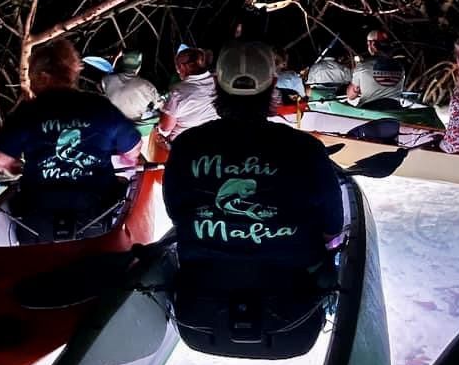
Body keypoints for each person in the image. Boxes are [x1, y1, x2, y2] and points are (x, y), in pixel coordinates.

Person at [163, 41, 344, 273]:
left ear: (216, 84)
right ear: (274, 84)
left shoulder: (185, 145)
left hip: (206, 287)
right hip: (289, 291)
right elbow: (332, 227)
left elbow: (177, 215)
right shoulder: (307, 149)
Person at [0, 39, 142, 239]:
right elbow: (133, 149)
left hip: (38, 219)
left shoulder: (28, 112)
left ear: (44, 76)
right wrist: (127, 159)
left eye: (31, 76)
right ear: (71, 72)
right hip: (96, 216)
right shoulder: (100, 106)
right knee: (119, 184)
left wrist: (14, 166)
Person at [157, 47, 218, 141]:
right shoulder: (217, 81)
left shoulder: (178, 92)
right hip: (213, 136)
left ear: (182, 67)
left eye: (177, 68)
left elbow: (165, 128)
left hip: (185, 141)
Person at [345, 29, 405, 109]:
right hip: (395, 108)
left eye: (368, 43)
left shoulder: (363, 66)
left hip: (369, 109)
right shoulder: (400, 67)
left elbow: (351, 96)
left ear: (372, 44)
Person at [100, 49, 161, 121]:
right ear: (139, 67)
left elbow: (108, 74)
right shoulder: (147, 86)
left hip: (114, 118)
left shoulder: (107, 79)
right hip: (134, 121)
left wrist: (116, 58)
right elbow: (158, 104)